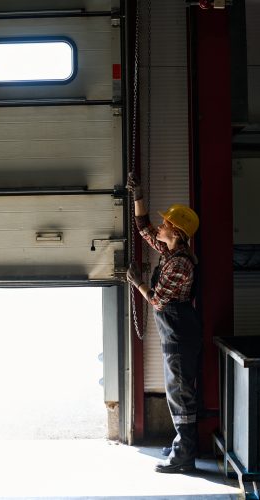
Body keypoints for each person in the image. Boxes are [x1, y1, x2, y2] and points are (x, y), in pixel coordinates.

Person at [126, 172, 202, 474]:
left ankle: (184, 456)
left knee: (180, 392)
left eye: (166, 224)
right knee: (177, 390)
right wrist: (137, 196)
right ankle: (182, 447)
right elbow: (143, 227)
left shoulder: (180, 263)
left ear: (177, 233)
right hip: (176, 331)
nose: (161, 226)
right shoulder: (171, 252)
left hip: (180, 333)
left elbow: (158, 300)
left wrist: (137, 282)